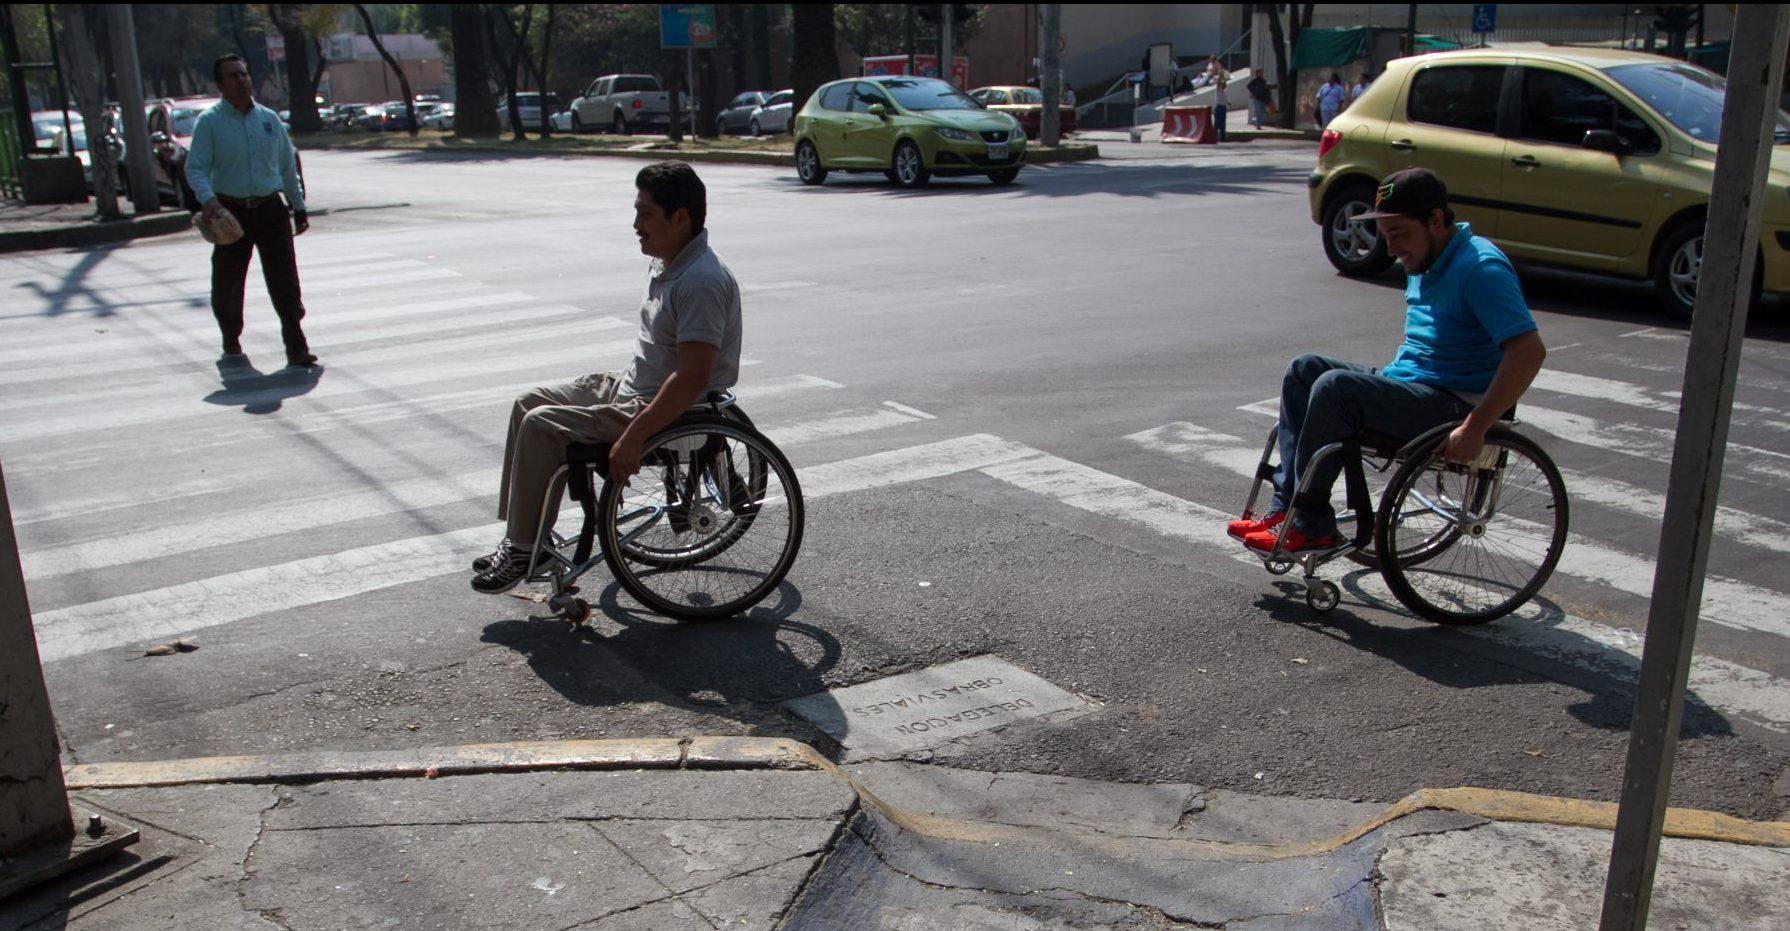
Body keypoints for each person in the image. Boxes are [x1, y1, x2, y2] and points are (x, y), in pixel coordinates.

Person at [1228, 168, 1546, 554]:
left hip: (1453, 403)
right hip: (1412, 385)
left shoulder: (1481, 268)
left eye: (1399, 233)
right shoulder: (1426, 257)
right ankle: (1286, 510)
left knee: (1335, 388)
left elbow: (1529, 352)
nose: (1391, 248)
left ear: (1436, 220)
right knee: (1304, 370)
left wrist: (1475, 427)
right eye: (1386, 234)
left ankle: (1310, 526)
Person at [471, 162, 742, 595]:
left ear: (680, 218)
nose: (636, 225)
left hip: (668, 408)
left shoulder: (700, 281)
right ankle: (526, 537)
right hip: (633, 386)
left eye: (646, 214)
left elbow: (692, 378)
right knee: (528, 402)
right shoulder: (668, 262)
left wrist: (634, 437)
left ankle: (524, 549)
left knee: (542, 425)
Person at [186, 53, 316, 368]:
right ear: (220, 85)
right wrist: (210, 201)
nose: (241, 80)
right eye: (233, 75)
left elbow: (287, 167)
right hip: (231, 211)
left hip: (270, 208)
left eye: (244, 74)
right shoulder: (210, 122)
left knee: (285, 279)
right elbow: (196, 168)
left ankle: (296, 345)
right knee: (228, 282)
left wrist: (298, 206)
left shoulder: (269, 119)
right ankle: (231, 337)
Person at [1211, 66, 1230, 142]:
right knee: (1217, 124)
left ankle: (1222, 138)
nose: (1222, 85)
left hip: (1223, 107)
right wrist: (1221, 74)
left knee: (1223, 124)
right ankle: (1214, 137)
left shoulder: (1224, 91)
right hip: (1219, 107)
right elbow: (1219, 82)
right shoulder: (1218, 90)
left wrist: (1228, 102)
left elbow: (1225, 99)